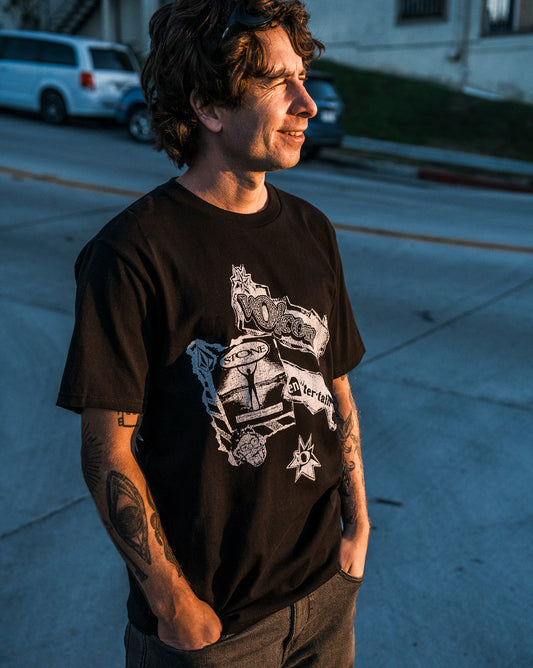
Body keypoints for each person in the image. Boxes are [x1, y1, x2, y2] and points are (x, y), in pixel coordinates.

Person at [57, 0, 370, 665]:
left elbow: (336, 387)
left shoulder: (312, 229)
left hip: (324, 595)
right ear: (209, 108)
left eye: (302, 77)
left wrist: (357, 529)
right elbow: (106, 452)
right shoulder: (133, 253)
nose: (307, 104)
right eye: (277, 82)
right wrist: (174, 606)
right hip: (213, 629)